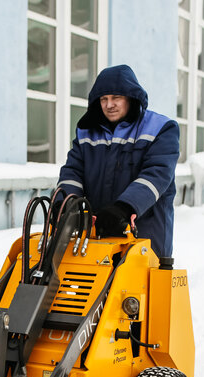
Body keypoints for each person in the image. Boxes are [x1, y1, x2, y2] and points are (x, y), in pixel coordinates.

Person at [57, 64, 180, 258]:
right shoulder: (87, 131)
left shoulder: (161, 128)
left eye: (116, 97)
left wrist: (125, 207)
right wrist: (66, 202)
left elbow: (157, 174)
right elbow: (73, 172)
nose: (109, 105)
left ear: (131, 97)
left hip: (145, 236)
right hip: (98, 237)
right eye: (103, 99)